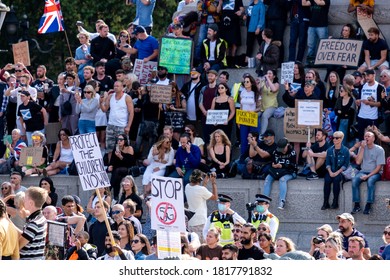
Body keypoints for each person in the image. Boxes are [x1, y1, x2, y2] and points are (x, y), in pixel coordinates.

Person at [351, 130, 385, 215]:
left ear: (373, 138)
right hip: (363, 171)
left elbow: (379, 167)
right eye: (365, 136)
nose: (366, 138)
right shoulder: (361, 148)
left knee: (370, 181)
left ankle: (368, 205)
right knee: (355, 180)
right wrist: (362, 148)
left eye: (368, 136)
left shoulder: (379, 149)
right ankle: (357, 204)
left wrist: (368, 176)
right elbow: (358, 162)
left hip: (375, 173)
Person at [100, 80, 134, 162]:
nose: (115, 87)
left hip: (122, 126)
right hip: (111, 125)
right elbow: (105, 109)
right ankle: (110, 164)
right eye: (114, 86)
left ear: (122, 87)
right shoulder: (110, 96)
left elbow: (131, 112)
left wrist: (128, 126)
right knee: (110, 147)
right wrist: (101, 103)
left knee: (122, 146)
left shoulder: (127, 97)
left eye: (118, 86)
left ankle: (121, 163)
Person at [262, 137, 298, 210]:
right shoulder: (276, 151)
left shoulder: (292, 152)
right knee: (268, 178)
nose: (282, 151)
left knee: (282, 180)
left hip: (290, 172)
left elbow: (293, 166)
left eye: (283, 148)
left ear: (286, 146)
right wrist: (274, 165)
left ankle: (282, 201)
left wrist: (282, 165)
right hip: (277, 171)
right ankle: (264, 201)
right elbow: (273, 161)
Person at [185, 169, 218, 241]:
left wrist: (205, 183)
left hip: (191, 221)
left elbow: (200, 192)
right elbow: (215, 197)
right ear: (200, 179)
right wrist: (213, 182)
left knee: (193, 242)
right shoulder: (201, 190)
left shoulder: (187, 186)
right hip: (200, 221)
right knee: (201, 245)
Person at [16, 186, 48, 260]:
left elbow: (17, 246)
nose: (23, 201)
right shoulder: (40, 218)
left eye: (25, 198)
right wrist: (8, 221)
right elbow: (26, 235)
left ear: (31, 203)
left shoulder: (34, 223)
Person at [322, 131, 350, 210]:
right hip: (331, 170)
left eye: (337, 138)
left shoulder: (346, 150)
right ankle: (325, 202)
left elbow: (346, 164)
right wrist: (330, 172)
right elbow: (327, 163)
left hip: (341, 172)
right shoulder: (330, 150)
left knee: (336, 180)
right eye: (333, 138)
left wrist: (337, 172)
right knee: (327, 180)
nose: (334, 140)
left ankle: (335, 202)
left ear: (341, 139)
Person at [355, 69, 384, 140]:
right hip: (361, 115)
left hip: (373, 117)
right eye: (365, 75)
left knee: (372, 138)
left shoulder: (380, 87)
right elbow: (358, 99)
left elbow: (381, 103)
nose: (366, 77)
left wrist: (369, 103)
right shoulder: (362, 86)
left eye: (368, 75)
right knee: (361, 138)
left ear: (374, 75)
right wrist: (358, 102)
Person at [107, 133, 136, 200]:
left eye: (121, 140)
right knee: (117, 176)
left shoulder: (129, 148)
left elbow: (130, 162)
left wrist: (120, 157)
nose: (119, 141)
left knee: (117, 171)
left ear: (125, 141)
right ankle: (116, 197)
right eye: (118, 139)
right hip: (117, 169)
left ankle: (108, 189)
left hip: (127, 168)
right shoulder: (116, 148)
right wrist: (110, 166)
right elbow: (112, 161)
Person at [302, 0, 330, 66]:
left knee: (323, 45)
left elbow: (320, 3)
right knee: (311, 45)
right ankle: (309, 61)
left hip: (322, 26)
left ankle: (323, 62)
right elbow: (304, 4)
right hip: (312, 25)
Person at [238, 74, 262, 154]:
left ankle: (254, 156)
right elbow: (241, 106)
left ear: (251, 83)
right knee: (243, 139)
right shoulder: (242, 93)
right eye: (244, 82)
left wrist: (253, 111)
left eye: (247, 82)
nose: (245, 83)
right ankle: (243, 157)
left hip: (253, 117)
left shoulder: (256, 93)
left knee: (254, 139)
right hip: (244, 118)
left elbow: (260, 108)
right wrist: (238, 120)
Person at [244, 0, 265, 64]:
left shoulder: (261, 5)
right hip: (250, 27)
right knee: (249, 44)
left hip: (257, 28)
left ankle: (263, 60)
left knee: (261, 44)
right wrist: (245, 15)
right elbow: (248, 13)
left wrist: (258, 27)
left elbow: (262, 18)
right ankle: (246, 61)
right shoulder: (251, 4)